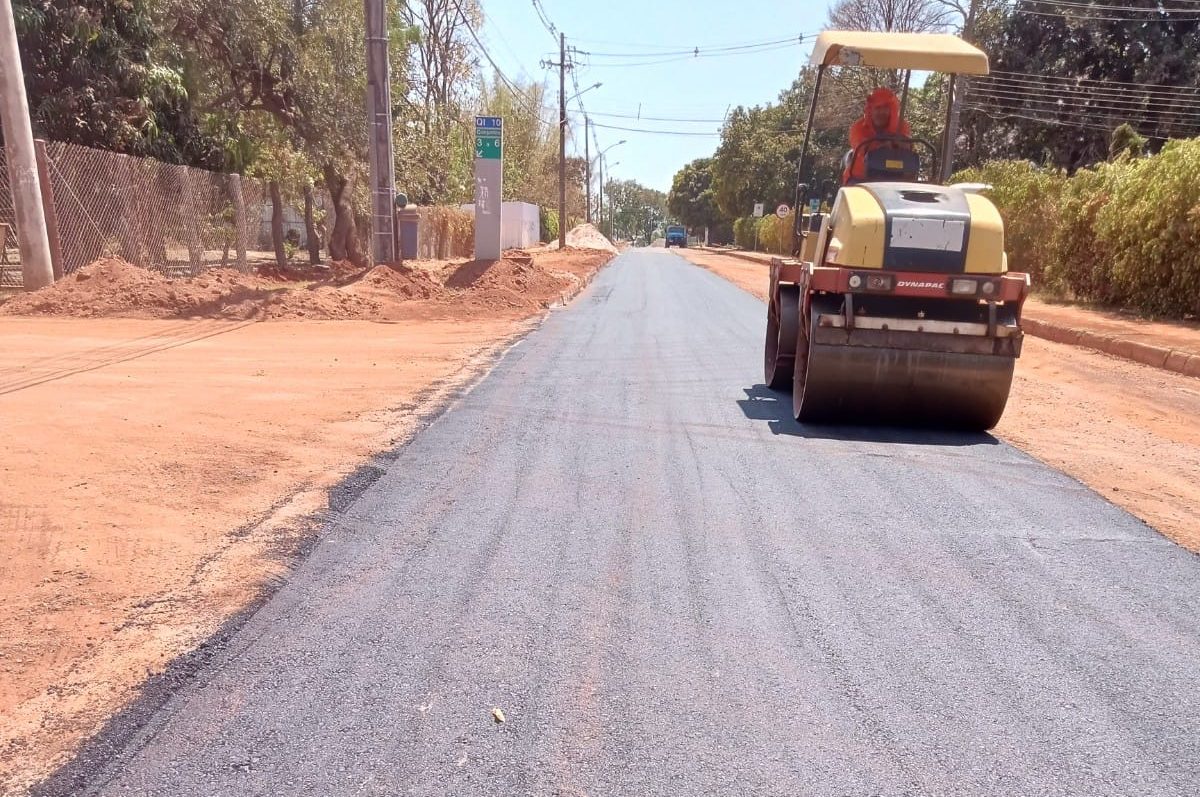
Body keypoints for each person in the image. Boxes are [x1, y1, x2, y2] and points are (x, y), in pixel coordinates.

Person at [842, 87, 912, 183]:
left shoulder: (902, 126)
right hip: (860, 179)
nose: (881, 112)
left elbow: (908, 147)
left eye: (885, 108)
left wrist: (902, 144)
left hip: (894, 179)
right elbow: (862, 148)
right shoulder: (858, 128)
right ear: (870, 110)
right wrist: (881, 146)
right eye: (878, 108)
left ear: (891, 110)